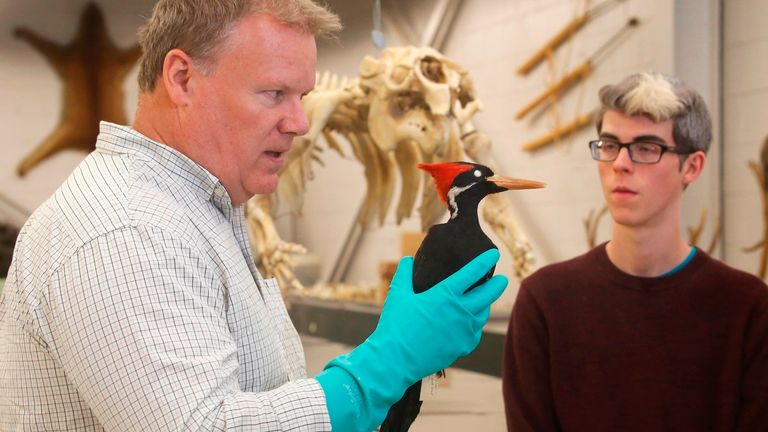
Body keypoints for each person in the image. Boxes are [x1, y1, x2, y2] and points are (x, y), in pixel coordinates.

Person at [0, 1, 508, 430]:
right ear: (181, 79)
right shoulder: (127, 228)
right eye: (273, 93)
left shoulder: (203, 209)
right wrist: (381, 367)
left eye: (302, 96)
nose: (301, 122)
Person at [502, 72, 768, 431]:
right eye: (610, 145)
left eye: (646, 148)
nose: (620, 164)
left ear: (691, 166)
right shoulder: (545, 301)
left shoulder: (747, 308)